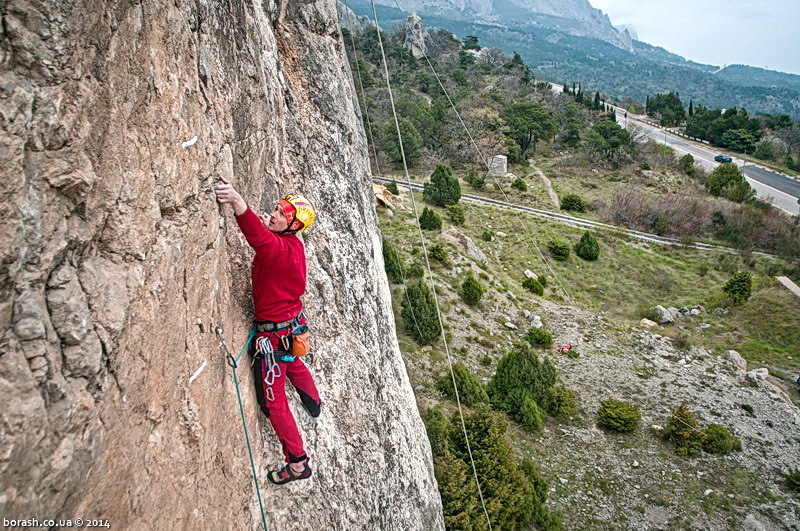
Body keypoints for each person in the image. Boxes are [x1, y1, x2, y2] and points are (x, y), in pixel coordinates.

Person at [215, 177, 321, 485]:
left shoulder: (279, 249)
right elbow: (268, 241)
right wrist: (271, 226)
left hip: (273, 336)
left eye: (281, 214)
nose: (273, 214)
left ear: (293, 226)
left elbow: (260, 240)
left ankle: (298, 463)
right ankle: (313, 402)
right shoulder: (293, 246)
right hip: (290, 327)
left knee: (274, 404)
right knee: (293, 362)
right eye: (276, 209)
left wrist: (238, 203)